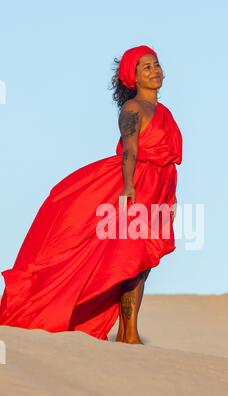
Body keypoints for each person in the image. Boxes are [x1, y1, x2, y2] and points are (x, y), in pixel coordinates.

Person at [0, 44, 183, 344]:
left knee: (144, 263)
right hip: (137, 186)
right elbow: (130, 151)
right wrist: (128, 187)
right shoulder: (133, 109)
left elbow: (168, 160)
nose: (155, 70)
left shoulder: (165, 112)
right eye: (146, 67)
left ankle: (127, 332)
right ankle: (129, 333)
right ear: (132, 77)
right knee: (131, 259)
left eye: (157, 64)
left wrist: (171, 198)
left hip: (160, 188)